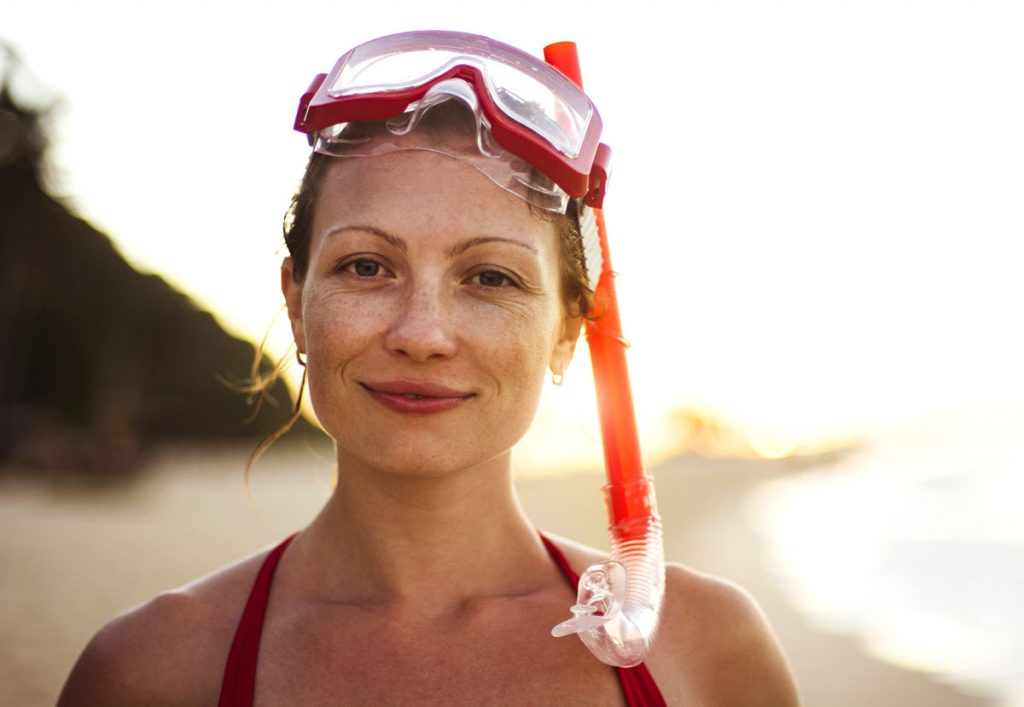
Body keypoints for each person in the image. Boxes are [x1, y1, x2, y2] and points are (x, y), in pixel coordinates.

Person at [58, 31, 799, 706]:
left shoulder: (707, 653)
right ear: (297, 301)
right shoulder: (150, 672)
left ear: (568, 331)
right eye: (367, 265)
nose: (422, 333)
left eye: (491, 278)